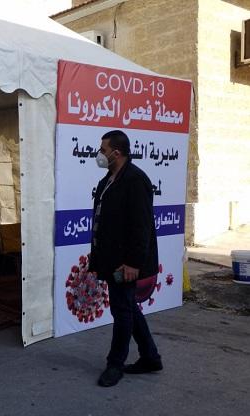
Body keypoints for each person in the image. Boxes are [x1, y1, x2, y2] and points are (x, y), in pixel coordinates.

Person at [89, 130, 162, 387]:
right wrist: (96, 257)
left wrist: (133, 263)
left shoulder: (135, 180)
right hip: (110, 259)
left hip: (126, 262)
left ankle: (115, 364)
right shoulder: (107, 181)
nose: (100, 154)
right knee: (128, 306)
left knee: (121, 310)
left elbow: (141, 227)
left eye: (103, 150)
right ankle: (150, 357)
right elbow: (101, 221)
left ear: (116, 153)